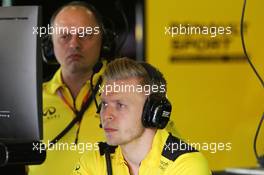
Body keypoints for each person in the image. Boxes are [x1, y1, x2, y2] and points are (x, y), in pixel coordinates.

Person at [72, 57, 211, 175]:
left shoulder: (187, 165)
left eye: (120, 105)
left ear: (152, 111)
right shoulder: (93, 161)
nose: (106, 115)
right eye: (104, 104)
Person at [29, 1, 109, 175]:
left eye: (85, 34)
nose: (74, 44)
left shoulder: (128, 93)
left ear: (103, 41)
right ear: (49, 45)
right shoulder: (29, 100)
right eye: (64, 36)